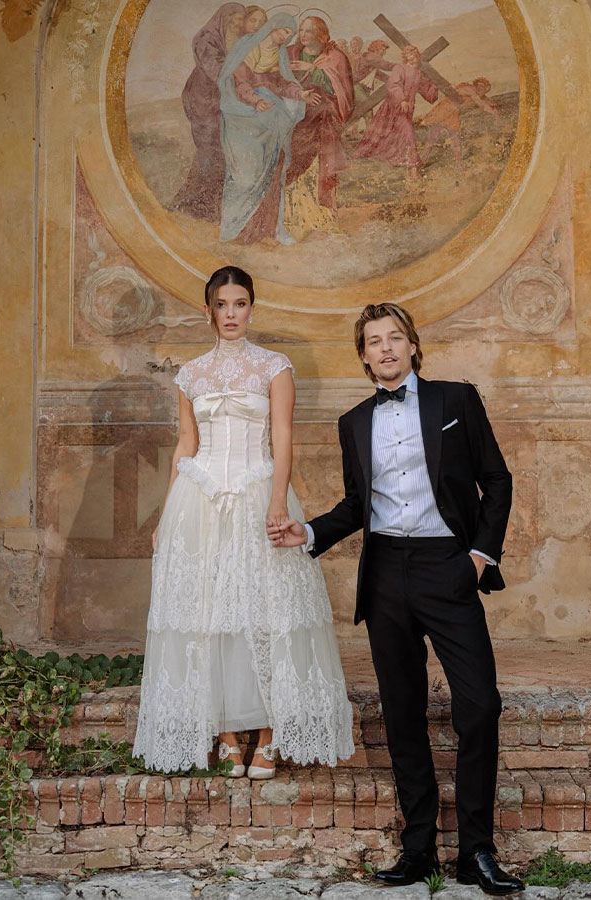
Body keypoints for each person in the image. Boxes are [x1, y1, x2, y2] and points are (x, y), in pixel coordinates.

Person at [267, 303, 525, 895]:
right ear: (363, 354)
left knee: (480, 703)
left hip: (447, 567)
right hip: (385, 574)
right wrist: (307, 533)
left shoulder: (456, 401)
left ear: (412, 346)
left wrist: (480, 557)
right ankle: (418, 851)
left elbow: (499, 481)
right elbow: (357, 505)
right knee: (402, 712)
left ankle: (477, 852)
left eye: (394, 338)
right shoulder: (353, 421)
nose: (384, 348)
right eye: (373, 341)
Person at [133, 266, 354, 779]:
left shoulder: (274, 366)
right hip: (199, 499)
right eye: (222, 305)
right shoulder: (190, 374)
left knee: (268, 609)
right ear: (208, 310)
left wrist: (277, 502)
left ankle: (271, 735)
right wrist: (167, 514)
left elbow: (282, 439)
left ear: (251, 308)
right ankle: (228, 735)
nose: (231, 314)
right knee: (206, 612)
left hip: (258, 493)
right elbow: (186, 444)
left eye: (240, 304)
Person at [218, 14, 322, 245]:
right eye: (283, 32)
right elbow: (240, 83)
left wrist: (300, 93)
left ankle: (267, 231)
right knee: (247, 176)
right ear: (273, 27)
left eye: (289, 35)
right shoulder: (249, 48)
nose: (285, 38)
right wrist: (255, 101)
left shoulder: (278, 55)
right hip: (245, 120)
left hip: (272, 121)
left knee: (274, 173)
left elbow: (281, 83)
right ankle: (237, 231)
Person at [172, 3, 246, 221]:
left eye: (241, 21)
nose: (238, 25)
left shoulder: (235, 40)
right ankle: (195, 205)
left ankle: (207, 205)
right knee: (210, 149)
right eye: (234, 21)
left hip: (221, 101)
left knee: (222, 150)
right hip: (203, 99)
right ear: (223, 19)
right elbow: (217, 71)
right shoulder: (207, 38)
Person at [287, 15, 354, 212]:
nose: (303, 35)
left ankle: (320, 210)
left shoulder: (335, 57)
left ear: (320, 34)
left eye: (309, 31)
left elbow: (341, 91)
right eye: (301, 30)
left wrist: (312, 69)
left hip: (322, 118)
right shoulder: (291, 53)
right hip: (294, 115)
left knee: (319, 160)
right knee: (292, 156)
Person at [353, 45, 438, 180]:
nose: (413, 57)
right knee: (408, 134)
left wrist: (435, 86)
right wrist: (402, 100)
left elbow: (428, 94)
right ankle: (413, 171)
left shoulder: (419, 73)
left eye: (415, 54)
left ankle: (406, 167)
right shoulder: (400, 68)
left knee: (399, 136)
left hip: (408, 110)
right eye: (409, 54)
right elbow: (392, 85)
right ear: (405, 57)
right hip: (394, 107)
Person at [421, 77, 503, 168]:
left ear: (486, 90)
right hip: (443, 111)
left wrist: (494, 108)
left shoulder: (479, 95)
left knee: (456, 140)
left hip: (453, 115)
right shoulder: (470, 89)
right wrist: (496, 115)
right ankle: (421, 161)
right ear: (475, 85)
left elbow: (487, 101)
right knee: (432, 139)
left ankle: (459, 164)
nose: (480, 88)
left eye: (483, 88)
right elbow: (481, 103)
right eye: (479, 85)